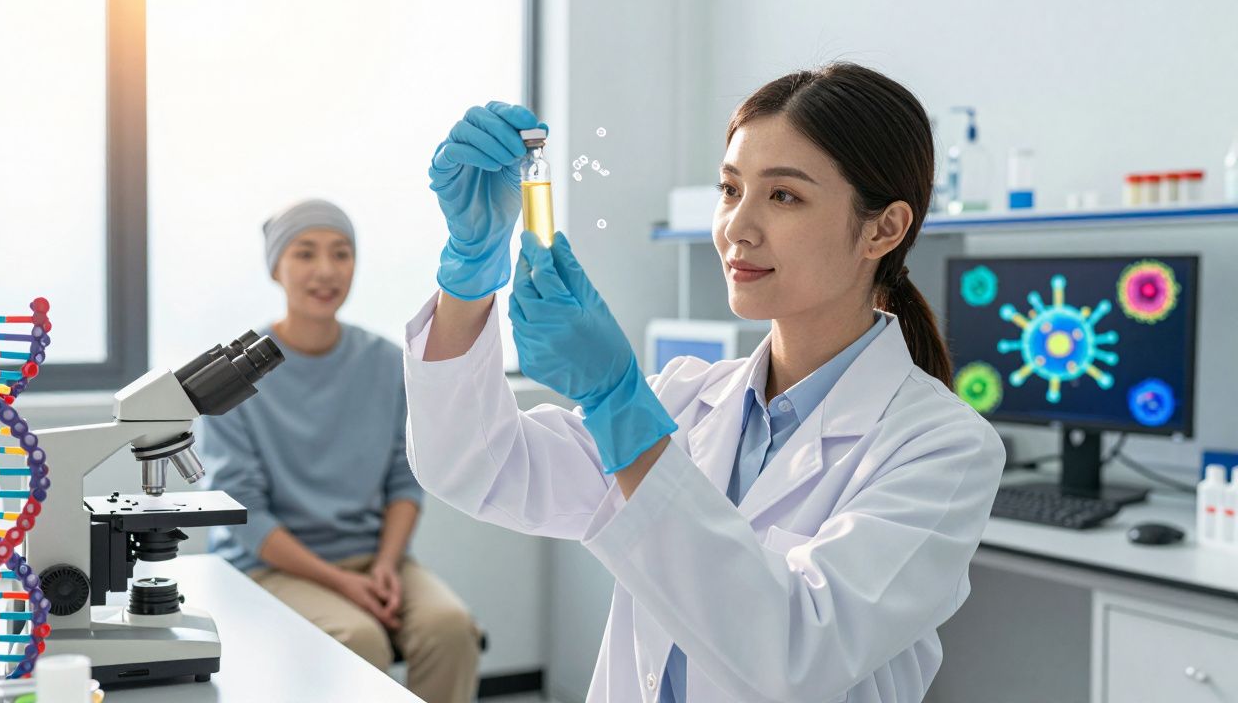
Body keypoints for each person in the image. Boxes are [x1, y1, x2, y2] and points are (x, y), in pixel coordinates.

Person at [403, 70, 1004, 703]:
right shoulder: (685, 400)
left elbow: (796, 653)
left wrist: (618, 401)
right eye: (730, 188)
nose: (736, 227)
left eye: (784, 197)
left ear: (883, 229)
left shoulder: (944, 448)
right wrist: (471, 272)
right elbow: (475, 466)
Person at [200, 199, 480, 703]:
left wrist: (387, 566)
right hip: (269, 567)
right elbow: (241, 512)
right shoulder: (235, 376)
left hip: (373, 557)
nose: (326, 271)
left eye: (341, 254)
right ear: (277, 268)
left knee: (451, 628)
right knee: (358, 641)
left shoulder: (384, 362)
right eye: (305, 254)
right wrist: (339, 583)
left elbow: (404, 476)